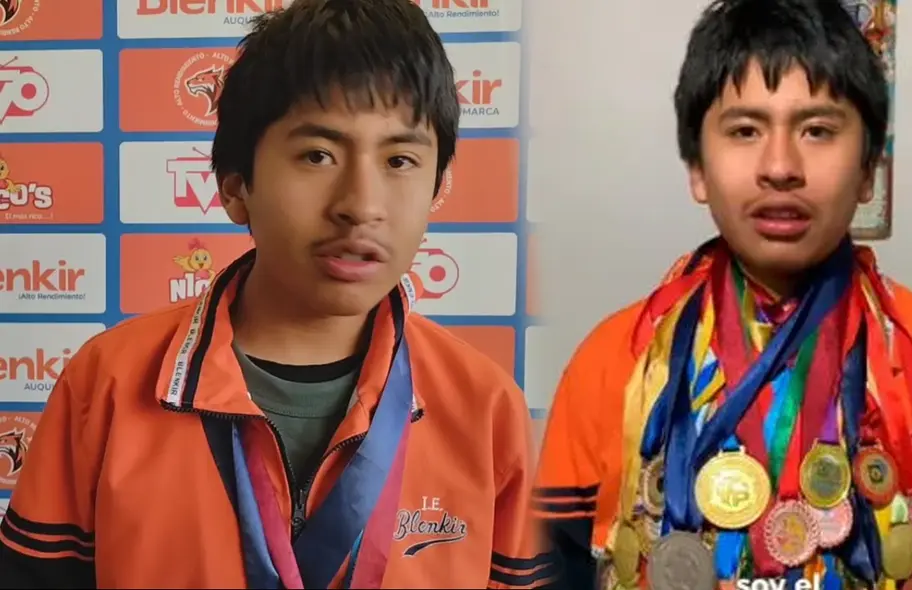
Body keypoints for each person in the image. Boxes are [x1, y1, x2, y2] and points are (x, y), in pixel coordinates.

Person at [0, 1, 549, 587]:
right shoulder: (107, 384)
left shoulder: (486, 409)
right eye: (318, 155)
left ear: (438, 185)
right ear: (236, 187)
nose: (361, 204)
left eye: (399, 160)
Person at [533, 0, 912, 588]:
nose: (780, 166)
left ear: (867, 172)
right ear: (698, 168)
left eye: (819, 130)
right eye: (745, 130)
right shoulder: (614, 361)